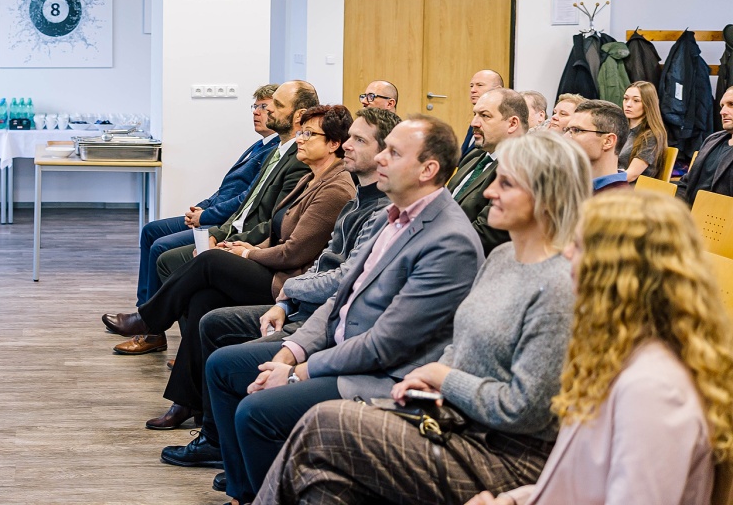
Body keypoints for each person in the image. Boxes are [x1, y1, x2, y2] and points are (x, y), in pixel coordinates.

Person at [254, 131, 591, 505]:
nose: (489, 192)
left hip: (507, 454)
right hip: (456, 423)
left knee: (325, 422)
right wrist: (433, 379)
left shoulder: (560, 285)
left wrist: (442, 378)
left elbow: (523, 410)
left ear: (547, 196)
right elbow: (461, 342)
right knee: (324, 483)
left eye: (506, 184)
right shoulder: (502, 257)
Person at [205, 116, 483, 505]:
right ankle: (246, 494)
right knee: (222, 366)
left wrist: (298, 373)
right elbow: (341, 297)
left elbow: (385, 345)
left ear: (428, 170)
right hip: (341, 348)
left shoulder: (449, 241)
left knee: (257, 413)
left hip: (383, 375)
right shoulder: (389, 215)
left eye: (393, 153)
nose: (381, 158)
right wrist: (291, 352)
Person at [160, 108, 400, 472]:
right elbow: (310, 253)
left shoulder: (358, 199)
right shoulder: (351, 196)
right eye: (349, 138)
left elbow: (331, 273)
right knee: (207, 303)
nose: (348, 146)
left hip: (301, 294)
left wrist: (272, 278)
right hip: (298, 295)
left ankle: (152, 322)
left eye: (358, 140)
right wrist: (246, 252)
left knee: (210, 268)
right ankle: (211, 436)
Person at [469, 190, 733, 505]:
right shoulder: (622, 352)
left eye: (580, 245)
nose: (567, 253)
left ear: (618, 271)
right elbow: (582, 483)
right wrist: (516, 500)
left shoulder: (653, 389)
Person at [105, 106, 356, 431]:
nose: (301, 139)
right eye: (301, 132)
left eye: (309, 134)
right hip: (273, 266)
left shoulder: (335, 189)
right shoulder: (312, 178)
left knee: (209, 260)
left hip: (286, 283)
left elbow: (294, 253)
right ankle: (187, 402)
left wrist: (248, 253)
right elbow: (274, 231)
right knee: (203, 299)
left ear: (334, 144)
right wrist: (240, 246)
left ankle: (149, 319)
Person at [120, 85, 279, 355]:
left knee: (162, 248)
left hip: (225, 222)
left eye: (264, 107)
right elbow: (226, 189)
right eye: (255, 106)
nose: (257, 112)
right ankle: (144, 312)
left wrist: (206, 216)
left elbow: (245, 200)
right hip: (212, 212)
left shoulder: (275, 151)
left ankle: (152, 330)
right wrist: (202, 207)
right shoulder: (259, 145)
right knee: (151, 231)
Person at [142, 81, 319, 291]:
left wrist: (215, 227)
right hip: (228, 224)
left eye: (273, 105)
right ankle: (150, 309)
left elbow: (269, 218)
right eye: (258, 106)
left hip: (243, 235)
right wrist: (208, 214)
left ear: (299, 115)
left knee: (163, 253)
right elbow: (240, 196)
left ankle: (153, 310)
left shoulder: (295, 159)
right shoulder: (272, 150)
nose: (265, 110)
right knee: (154, 235)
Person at [447, 87, 528, 254]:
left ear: (512, 124)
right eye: (475, 114)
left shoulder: (522, 165)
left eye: (485, 116)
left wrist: (432, 242)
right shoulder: (475, 156)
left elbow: (487, 233)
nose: (474, 123)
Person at [678, 86, 733, 205]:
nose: (722, 112)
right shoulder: (712, 140)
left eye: (731, 104)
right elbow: (686, 183)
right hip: (689, 210)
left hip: (719, 214)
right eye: (722, 106)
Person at [564, 99, 630, 193]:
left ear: (608, 141)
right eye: (568, 130)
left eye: (577, 130)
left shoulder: (618, 198)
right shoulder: (571, 185)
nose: (565, 137)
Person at [621, 80, 669, 182]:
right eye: (625, 99)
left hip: (631, 188)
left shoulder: (651, 136)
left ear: (648, 104)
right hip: (613, 182)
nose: (628, 104)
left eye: (636, 100)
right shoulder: (619, 128)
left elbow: (631, 175)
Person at [462, 69, 504, 157]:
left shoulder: (501, 121)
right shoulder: (476, 119)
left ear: (497, 90)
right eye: (471, 86)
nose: (473, 90)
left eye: (479, 85)